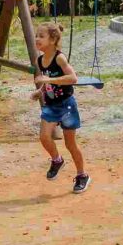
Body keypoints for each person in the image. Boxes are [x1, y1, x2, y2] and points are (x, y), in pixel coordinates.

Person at [29, 22, 89, 193]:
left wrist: (47, 81)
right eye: (37, 35)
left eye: (41, 36)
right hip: (51, 105)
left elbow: (73, 78)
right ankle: (57, 160)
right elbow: (46, 81)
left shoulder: (59, 58)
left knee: (71, 144)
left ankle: (82, 175)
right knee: (44, 137)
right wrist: (40, 92)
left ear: (53, 39)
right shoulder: (39, 60)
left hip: (67, 105)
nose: (37, 39)